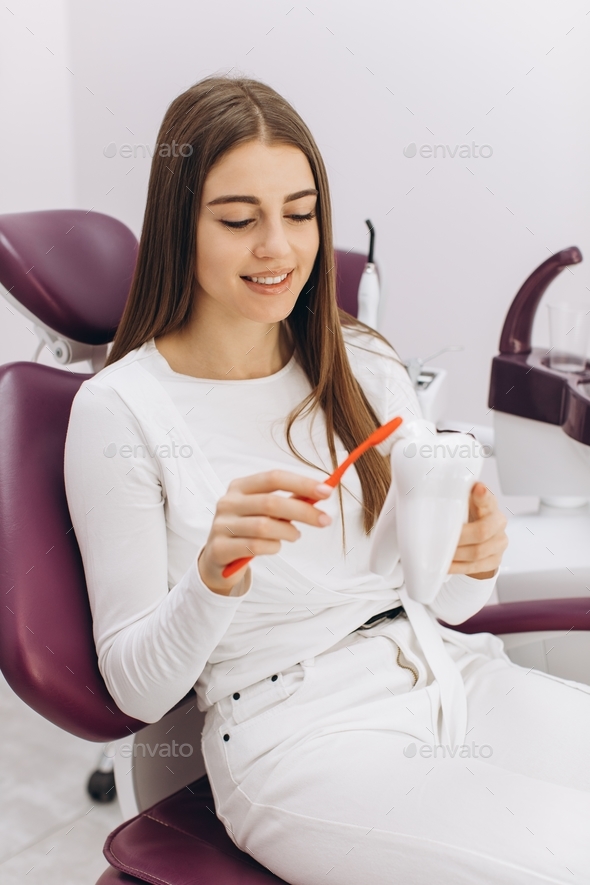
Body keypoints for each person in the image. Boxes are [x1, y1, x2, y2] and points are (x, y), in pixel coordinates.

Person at [64, 75, 590, 885]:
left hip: (449, 673)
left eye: (301, 214)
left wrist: (470, 557)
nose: (278, 247)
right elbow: (135, 691)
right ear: (180, 226)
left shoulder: (362, 362)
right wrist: (212, 577)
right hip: (299, 735)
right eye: (240, 220)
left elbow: (446, 602)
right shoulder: (122, 411)